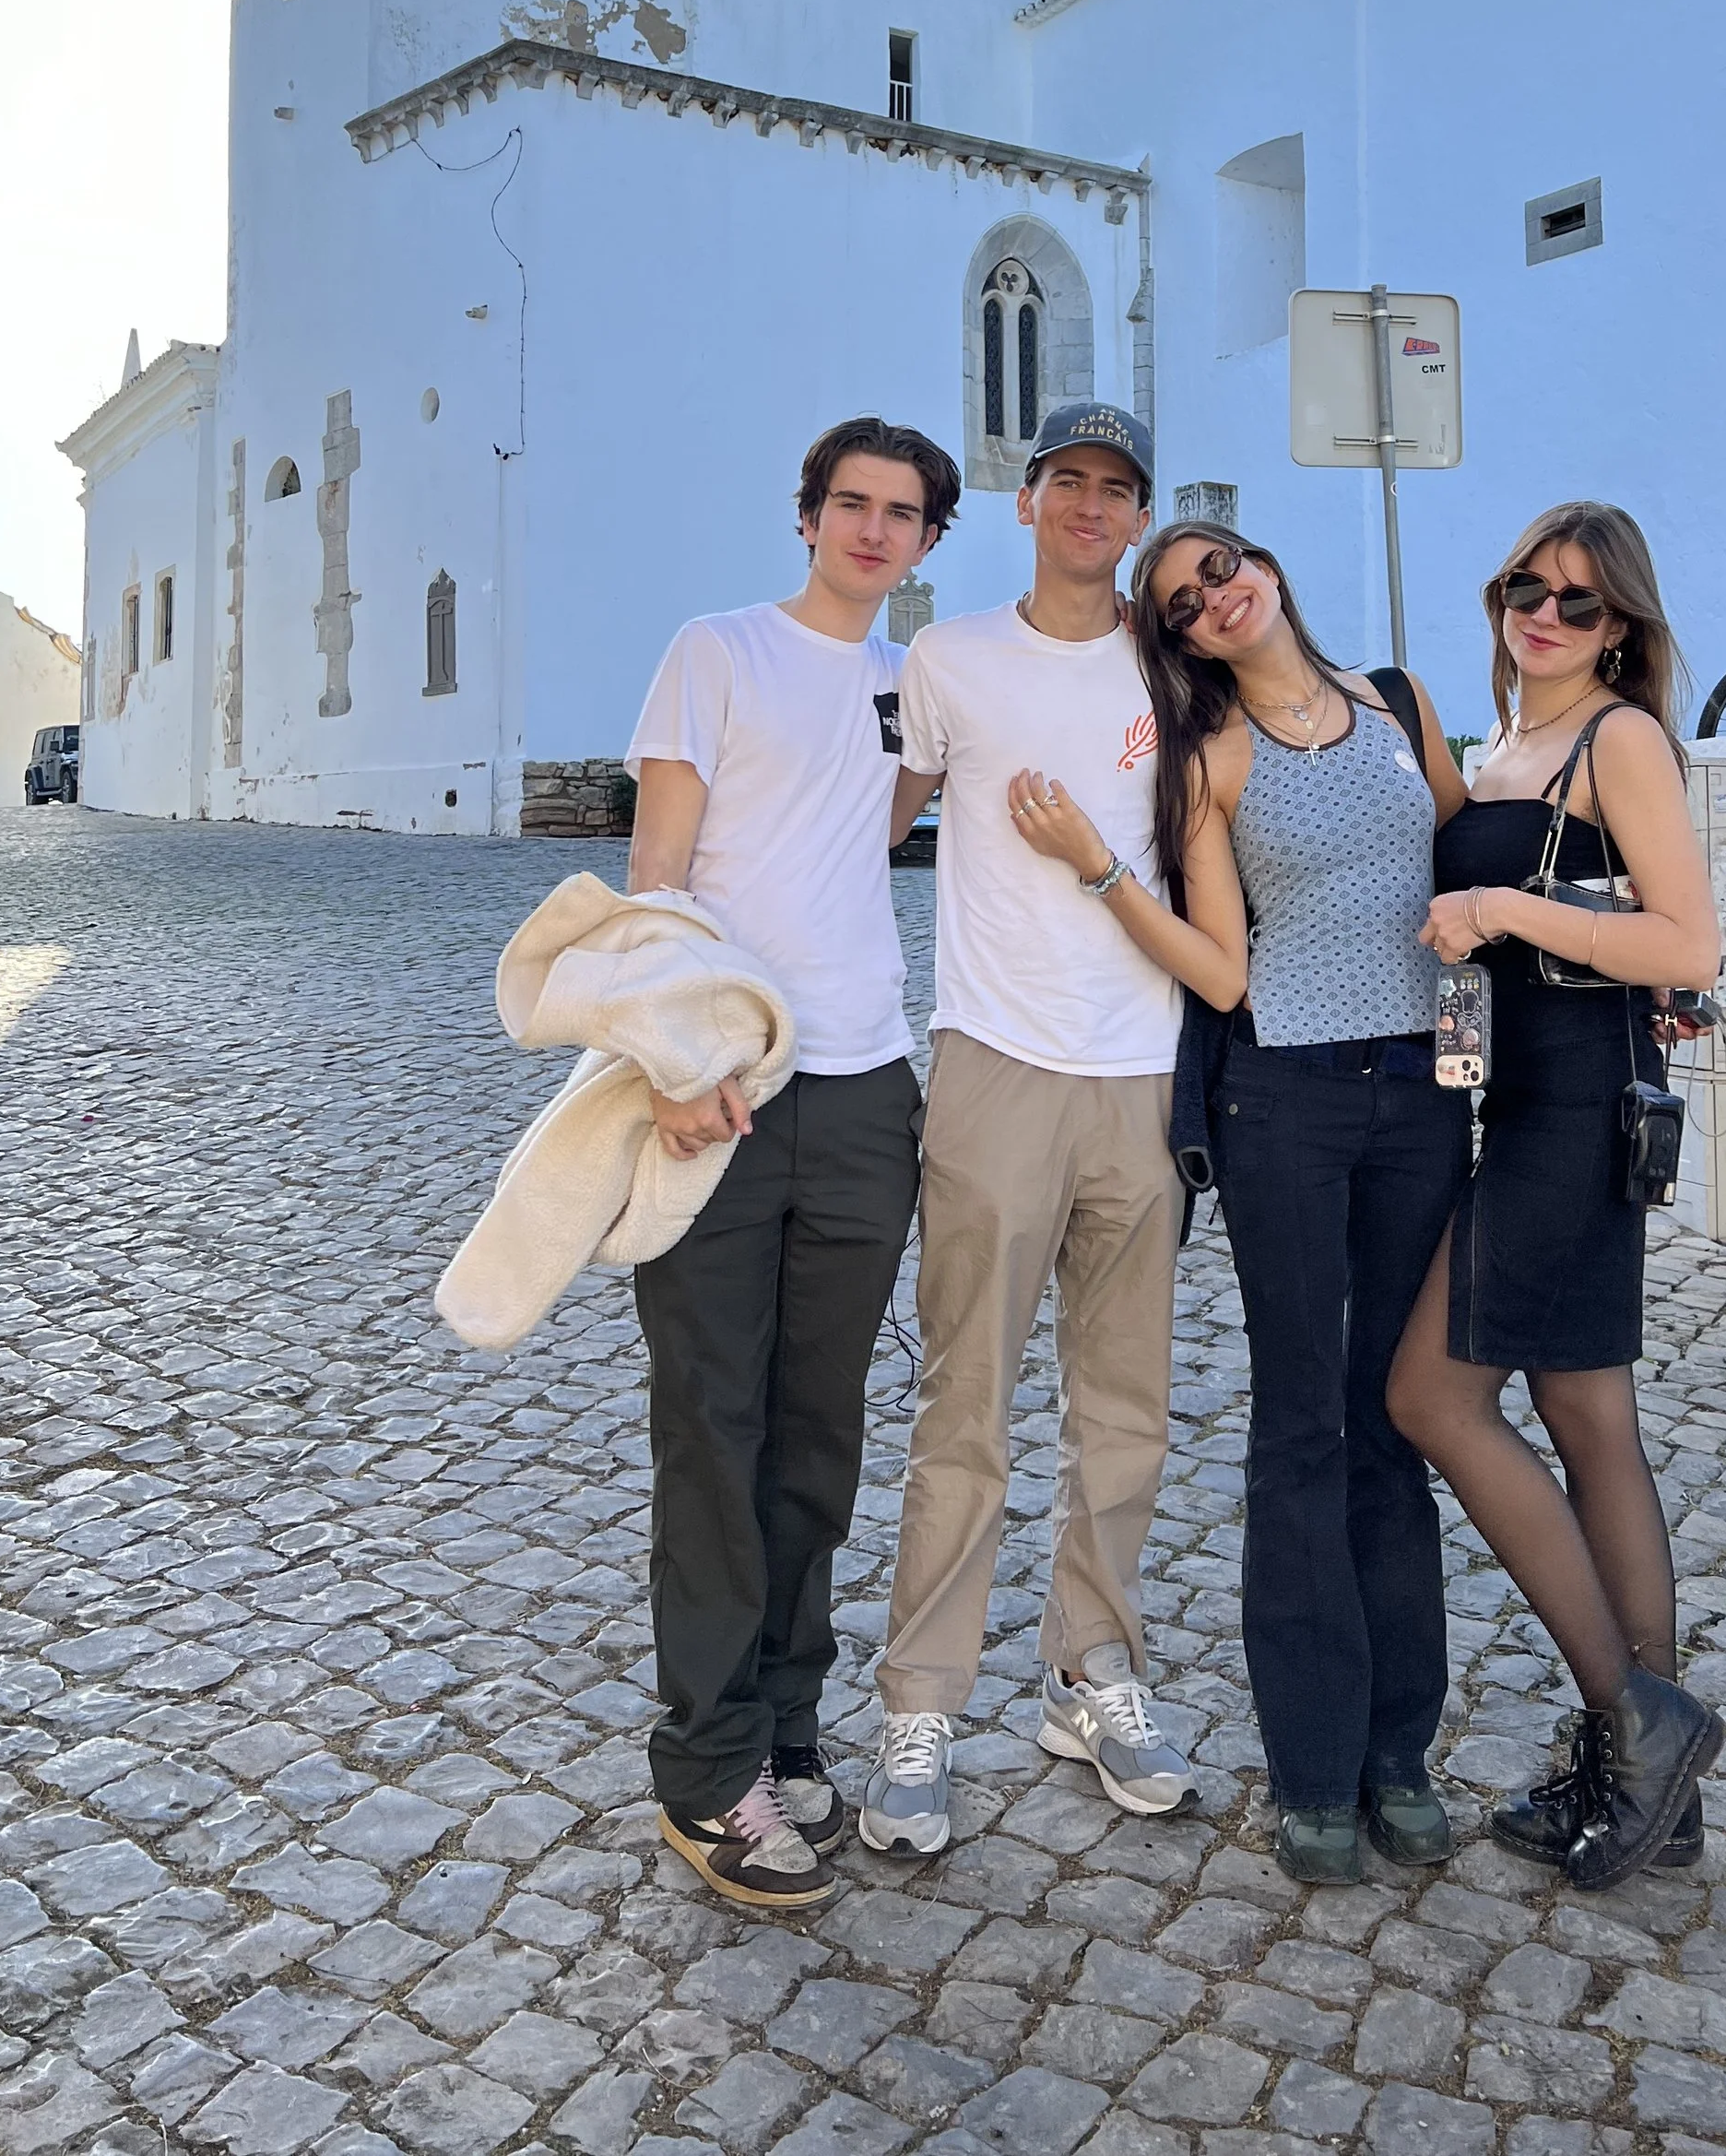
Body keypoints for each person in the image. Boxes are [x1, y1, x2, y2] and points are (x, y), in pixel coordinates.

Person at [1019, 518, 1476, 1881]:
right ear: (1174, 640)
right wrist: (1101, 871)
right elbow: (1222, 976)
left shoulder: (1401, 705)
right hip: (1286, 1103)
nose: (1215, 598)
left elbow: (1456, 868)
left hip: (1424, 1096)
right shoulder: (1211, 755)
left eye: (1222, 568)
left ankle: (1402, 1750)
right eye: (1181, 602)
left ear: (1267, 565)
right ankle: (1315, 1766)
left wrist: (1486, 1055)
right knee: (1302, 1427)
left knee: (1396, 1422)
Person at [623, 413, 960, 1909]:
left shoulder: (917, 688)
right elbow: (656, 881)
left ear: (930, 541)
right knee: (714, 1425)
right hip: (727, 1091)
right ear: (808, 517)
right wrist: (677, 1059)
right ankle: (706, 1774)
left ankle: (788, 1726)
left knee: (819, 1437)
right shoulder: (718, 653)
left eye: (904, 514)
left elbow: (882, 832)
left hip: (869, 1088)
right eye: (852, 505)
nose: (875, 531)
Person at [858, 403, 1200, 1854]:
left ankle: (1092, 1671)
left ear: (1139, 518)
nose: (1088, 506)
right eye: (1067, 480)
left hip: (1148, 1071)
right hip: (994, 1062)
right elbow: (867, 823)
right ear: (1027, 499)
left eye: (1116, 489)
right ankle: (921, 1706)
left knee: (1123, 1411)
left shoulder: (1179, 667)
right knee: (967, 1408)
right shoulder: (951, 660)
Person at [1386, 501, 1724, 1891]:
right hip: (1515, 1106)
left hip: (1579, 1114)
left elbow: (1687, 936)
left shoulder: (1616, 740)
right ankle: (1656, 1797)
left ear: (1622, 628)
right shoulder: (1505, 745)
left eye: (1581, 602)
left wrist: (1512, 912)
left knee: (1433, 1399)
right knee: (1588, 1413)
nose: (1547, 613)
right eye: (1529, 586)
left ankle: (1639, 1723)